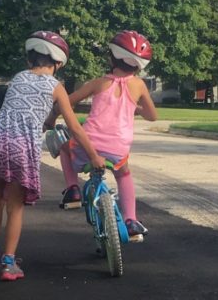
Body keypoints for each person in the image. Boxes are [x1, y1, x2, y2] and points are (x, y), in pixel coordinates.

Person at [0, 31, 105, 281]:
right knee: (15, 206)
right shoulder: (56, 87)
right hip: (21, 146)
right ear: (58, 64)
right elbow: (74, 127)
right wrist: (93, 155)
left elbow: (21, 109)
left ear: (29, 61)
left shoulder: (18, 78)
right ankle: (8, 263)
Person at [49, 30, 158, 242]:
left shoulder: (99, 83)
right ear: (138, 65)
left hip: (87, 143)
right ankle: (131, 220)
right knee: (124, 174)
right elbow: (152, 115)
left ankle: (73, 190)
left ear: (111, 57)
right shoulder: (139, 85)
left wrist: (53, 117)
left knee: (65, 145)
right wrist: (136, 109)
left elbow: (67, 102)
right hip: (118, 149)